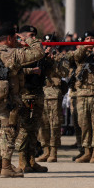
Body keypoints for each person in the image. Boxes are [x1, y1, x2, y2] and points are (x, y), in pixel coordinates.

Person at [0, 23, 44, 178]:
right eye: (15, 37)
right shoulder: (13, 54)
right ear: (9, 38)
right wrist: (28, 39)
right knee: (8, 131)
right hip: (8, 99)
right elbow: (39, 52)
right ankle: (6, 167)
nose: (16, 40)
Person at [15, 25, 48, 173]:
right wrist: (31, 70)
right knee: (24, 129)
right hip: (24, 94)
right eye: (29, 35)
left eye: (34, 35)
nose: (33, 38)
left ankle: (31, 159)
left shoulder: (38, 53)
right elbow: (15, 69)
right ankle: (22, 160)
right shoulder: (19, 52)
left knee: (34, 129)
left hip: (38, 93)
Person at [36, 34, 69, 162]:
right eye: (46, 41)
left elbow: (65, 73)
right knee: (42, 124)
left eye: (51, 42)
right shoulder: (39, 55)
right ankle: (45, 150)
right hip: (41, 92)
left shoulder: (60, 57)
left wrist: (53, 61)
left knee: (54, 124)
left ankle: (53, 151)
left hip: (54, 92)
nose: (48, 44)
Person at [73, 31, 94, 164]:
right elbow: (76, 56)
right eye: (87, 39)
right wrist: (85, 48)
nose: (89, 41)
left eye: (92, 39)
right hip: (82, 93)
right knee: (83, 123)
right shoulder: (81, 54)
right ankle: (86, 151)